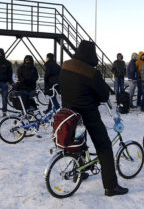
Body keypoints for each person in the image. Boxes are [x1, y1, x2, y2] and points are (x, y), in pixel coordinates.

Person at [59, 40, 128, 196]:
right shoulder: (91, 72)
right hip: (88, 114)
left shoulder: (65, 65)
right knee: (104, 146)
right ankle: (111, 186)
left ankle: (79, 172)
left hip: (70, 114)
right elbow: (104, 95)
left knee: (78, 144)